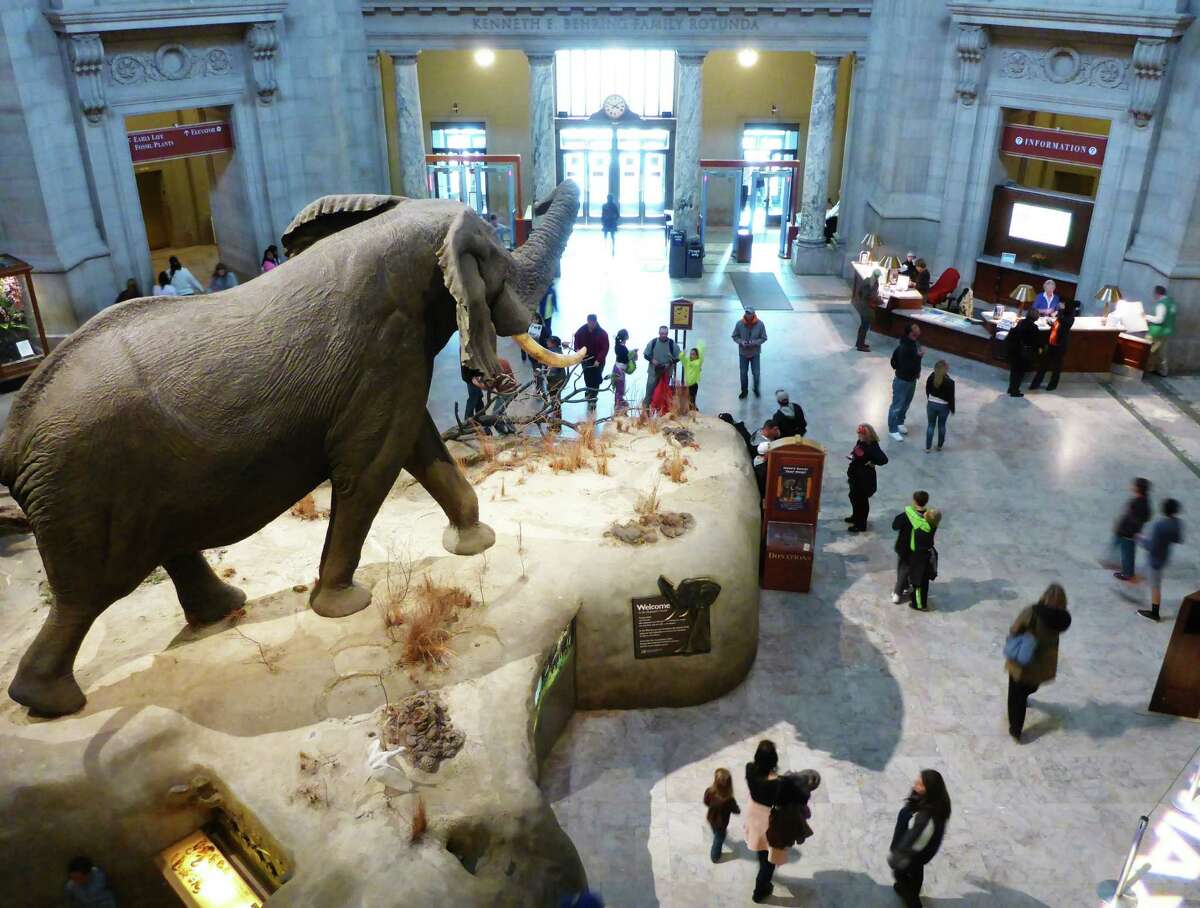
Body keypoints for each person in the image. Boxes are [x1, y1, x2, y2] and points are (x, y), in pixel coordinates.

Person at [1005, 583, 1072, 742]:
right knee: (1030, 686)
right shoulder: (1062, 620)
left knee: (1015, 697)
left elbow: (1014, 629)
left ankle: (1015, 730)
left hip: (1024, 663)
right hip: (1043, 664)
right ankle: (1027, 695)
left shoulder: (1032, 613)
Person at [889, 770, 951, 908]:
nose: (915, 785)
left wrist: (898, 856)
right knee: (915, 872)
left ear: (929, 789)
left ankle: (913, 902)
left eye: (919, 784)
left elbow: (916, 841)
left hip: (914, 854)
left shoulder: (925, 818)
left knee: (902, 873)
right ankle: (908, 889)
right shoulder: (935, 801)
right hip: (920, 851)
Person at [743, 740, 786, 903]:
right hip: (768, 820)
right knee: (769, 861)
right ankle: (760, 890)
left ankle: (762, 875)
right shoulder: (776, 782)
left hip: (754, 813)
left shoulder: (749, 768)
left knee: (760, 850)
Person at [1139, 498, 1183, 622]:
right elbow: (1178, 539)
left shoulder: (1160, 525)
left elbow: (1151, 546)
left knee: (1155, 586)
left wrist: (1141, 539)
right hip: (1164, 556)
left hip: (1155, 560)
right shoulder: (1178, 523)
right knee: (1148, 575)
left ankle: (1155, 613)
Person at [892, 490, 932, 606]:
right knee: (911, 569)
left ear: (914, 501)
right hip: (920, 550)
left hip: (904, 548)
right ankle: (905, 586)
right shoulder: (929, 516)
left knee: (903, 569)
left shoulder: (906, 515)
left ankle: (897, 593)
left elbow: (895, 526)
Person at [846, 423, 888, 533]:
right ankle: (855, 516)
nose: (858, 436)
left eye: (860, 434)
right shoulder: (861, 442)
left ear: (867, 435)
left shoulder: (872, 446)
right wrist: (852, 455)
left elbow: (884, 459)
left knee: (862, 502)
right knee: (853, 497)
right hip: (855, 476)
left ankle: (861, 524)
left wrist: (873, 462)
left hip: (864, 479)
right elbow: (857, 451)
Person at [1109, 477, 1152, 582]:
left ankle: (1127, 574)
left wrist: (1125, 531)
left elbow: (1133, 520)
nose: (1132, 487)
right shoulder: (1144, 501)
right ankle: (1127, 571)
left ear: (1138, 488)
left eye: (1134, 485)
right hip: (1130, 533)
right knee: (1128, 553)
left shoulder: (1138, 503)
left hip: (1128, 534)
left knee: (1127, 554)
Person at [888, 323, 924, 440]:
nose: (916, 337)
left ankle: (900, 422)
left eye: (917, 335)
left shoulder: (915, 344)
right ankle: (892, 429)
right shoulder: (903, 348)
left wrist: (918, 370)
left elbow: (916, 362)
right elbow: (904, 365)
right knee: (897, 405)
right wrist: (918, 357)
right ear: (909, 334)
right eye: (914, 335)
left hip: (912, 379)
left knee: (906, 403)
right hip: (902, 380)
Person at [1030, 299, 1074, 391]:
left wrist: (1060, 312)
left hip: (1060, 345)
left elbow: (1062, 327)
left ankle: (1052, 385)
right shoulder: (1061, 316)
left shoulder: (1070, 318)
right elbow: (1057, 325)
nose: (1060, 305)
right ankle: (1035, 384)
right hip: (1051, 343)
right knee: (1043, 365)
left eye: (1062, 304)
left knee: (1056, 367)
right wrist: (1052, 324)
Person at [703, 767, 741, 863]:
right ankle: (715, 856)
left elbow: (706, 802)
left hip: (711, 818)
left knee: (715, 831)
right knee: (719, 839)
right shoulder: (729, 800)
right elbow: (736, 810)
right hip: (722, 823)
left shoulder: (709, 791)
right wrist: (737, 809)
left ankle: (715, 833)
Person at [573, 314, 610, 413]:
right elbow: (576, 338)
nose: (590, 325)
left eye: (592, 323)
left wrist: (598, 360)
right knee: (587, 377)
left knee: (596, 380)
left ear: (595, 322)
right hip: (586, 359)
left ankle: (593, 398)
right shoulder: (582, 330)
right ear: (587, 321)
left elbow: (605, 348)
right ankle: (589, 391)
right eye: (589, 323)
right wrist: (577, 350)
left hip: (598, 361)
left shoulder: (602, 333)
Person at [1005, 307, 1041, 398]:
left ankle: (1011, 387)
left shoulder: (1020, 322)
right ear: (1036, 317)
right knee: (1020, 373)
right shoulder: (1034, 328)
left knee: (1014, 371)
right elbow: (1035, 342)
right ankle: (1015, 391)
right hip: (1023, 353)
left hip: (1014, 350)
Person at [732, 307, 768, 399]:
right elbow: (734, 336)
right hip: (743, 353)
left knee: (756, 373)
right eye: (746, 313)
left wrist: (754, 342)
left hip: (755, 353)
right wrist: (741, 342)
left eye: (749, 313)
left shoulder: (760, 324)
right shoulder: (739, 324)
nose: (748, 315)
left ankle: (756, 389)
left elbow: (764, 338)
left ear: (753, 314)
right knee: (743, 373)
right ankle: (744, 391)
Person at [642, 326, 680, 408]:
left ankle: (661, 413)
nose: (663, 335)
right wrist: (652, 360)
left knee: (662, 394)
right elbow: (645, 355)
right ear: (659, 333)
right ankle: (646, 413)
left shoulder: (672, 344)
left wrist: (669, 363)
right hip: (653, 372)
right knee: (649, 392)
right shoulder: (653, 342)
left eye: (665, 333)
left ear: (667, 333)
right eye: (662, 333)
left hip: (666, 373)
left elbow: (678, 357)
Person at [1144, 284, 1177, 376]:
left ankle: (1145, 369)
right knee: (1161, 352)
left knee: (1147, 350)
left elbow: (1159, 319)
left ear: (1157, 293)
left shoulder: (1161, 304)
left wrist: (1146, 317)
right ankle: (1162, 371)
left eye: (1154, 294)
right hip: (1167, 331)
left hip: (1156, 331)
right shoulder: (1171, 302)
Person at [924, 360, 955, 452]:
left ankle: (927, 448)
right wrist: (952, 409)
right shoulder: (950, 382)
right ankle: (939, 446)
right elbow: (951, 398)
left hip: (931, 405)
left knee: (930, 426)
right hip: (944, 407)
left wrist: (930, 400)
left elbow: (927, 389)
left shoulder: (931, 377)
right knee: (942, 426)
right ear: (945, 369)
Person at [852, 269, 878, 352]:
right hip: (866, 308)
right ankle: (860, 346)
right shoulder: (871, 283)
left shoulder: (866, 280)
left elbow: (859, 292)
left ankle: (859, 343)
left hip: (862, 306)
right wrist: (878, 300)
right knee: (864, 327)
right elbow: (870, 296)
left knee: (863, 326)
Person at [545, 336, 567, 430]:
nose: (547, 344)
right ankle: (556, 424)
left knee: (555, 404)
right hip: (559, 380)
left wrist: (546, 375)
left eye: (548, 342)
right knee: (556, 403)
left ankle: (556, 426)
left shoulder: (553, 353)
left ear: (553, 343)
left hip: (555, 382)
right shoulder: (558, 351)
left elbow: (552, 370)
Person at [612, 329, 635, 412]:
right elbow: (625, 358)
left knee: (620, 387)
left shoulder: (618, 345)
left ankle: (619, 402)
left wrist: (631, 352)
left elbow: (625, 355)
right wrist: (632, 355)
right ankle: (618, 405)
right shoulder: (621, 347)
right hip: (619, 369)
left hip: (619, 368)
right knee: (619, 388)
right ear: (625, 337)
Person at [683, 341, 706, 409]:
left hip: (694, 385)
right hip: (688, 384)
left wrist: (700, 345)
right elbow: (681, 358)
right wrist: (683, 353)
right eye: (690, 354)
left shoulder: (697, 363)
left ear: (696, 356)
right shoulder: (688, 362)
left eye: (693, 354)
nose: (691, 356)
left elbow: (697, 363)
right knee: (689, 399)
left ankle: (693, 411)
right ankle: (692, 409)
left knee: (692, 399)